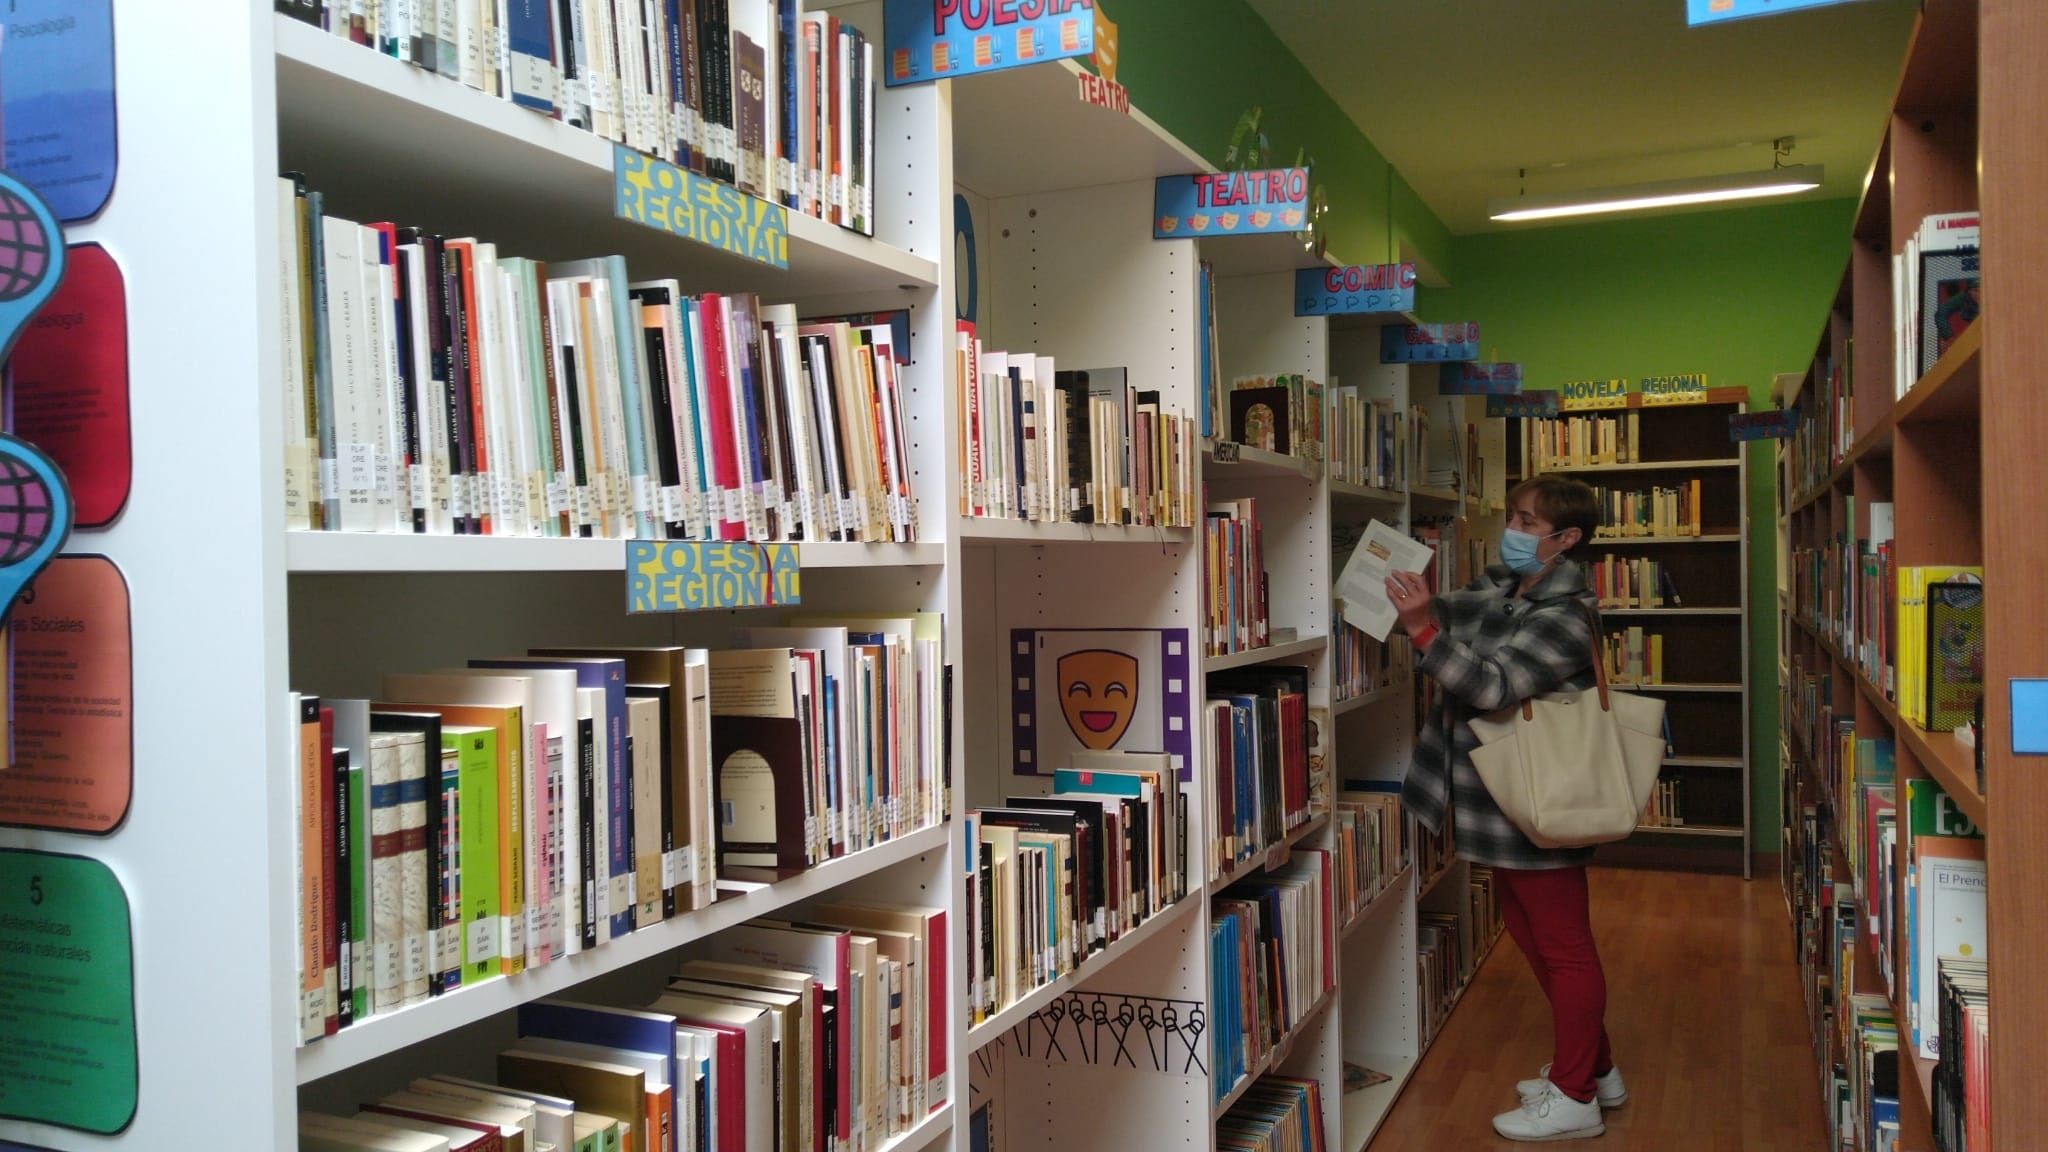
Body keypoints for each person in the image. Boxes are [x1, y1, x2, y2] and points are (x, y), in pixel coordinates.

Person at [1387, 474, 1622, 1143]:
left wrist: (1424, 631)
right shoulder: (1502, 589)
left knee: (1566, 950)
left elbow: (1491, 686)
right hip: (1497, 803)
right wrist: (1416, 603)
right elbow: (1454, 612)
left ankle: (1576, 1097)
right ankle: (1596, 1070)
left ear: (1566, 539)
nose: (1510, 531)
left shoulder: (1566, 617)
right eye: (1514, 517)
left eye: (1525, 522)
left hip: (1540, 804)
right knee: (1529, 935)